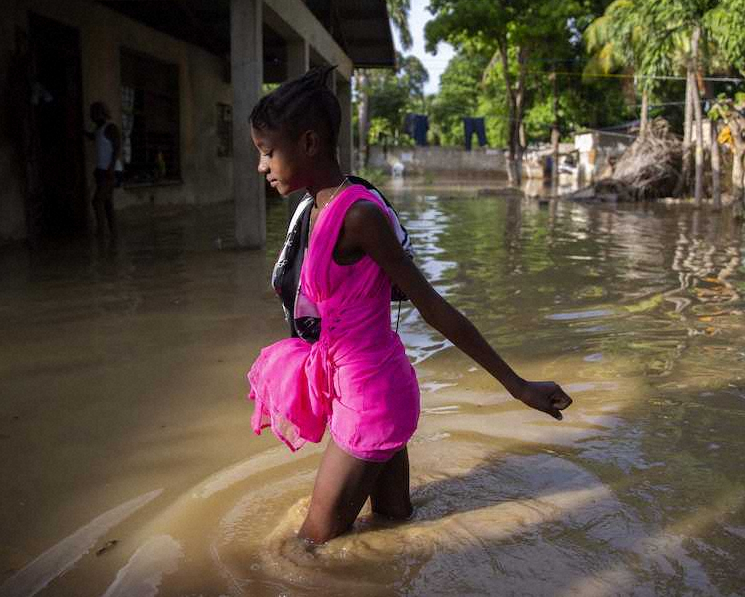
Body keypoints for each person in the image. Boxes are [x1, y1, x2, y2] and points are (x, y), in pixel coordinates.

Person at [245, 66, 572, 544]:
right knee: (394, 527)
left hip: (371, 396)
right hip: (363, 384)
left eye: (268, 152)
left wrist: (517, 386)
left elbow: (433, 308)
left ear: (309, 143)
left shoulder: (358, 216)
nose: (262, 166)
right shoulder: (312, 209)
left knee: (308, 548)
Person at [87, 102, 121, 237]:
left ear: (100, 113)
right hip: (103, 171)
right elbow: (92, 137)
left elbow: (117, 148)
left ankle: (101, 231)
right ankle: (113, 234)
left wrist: (111, 167)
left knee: (97, 201)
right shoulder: (99, 129)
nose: (91, 116)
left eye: (93, 112)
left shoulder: (110, 127)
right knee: (107, 203)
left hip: (110, 171)